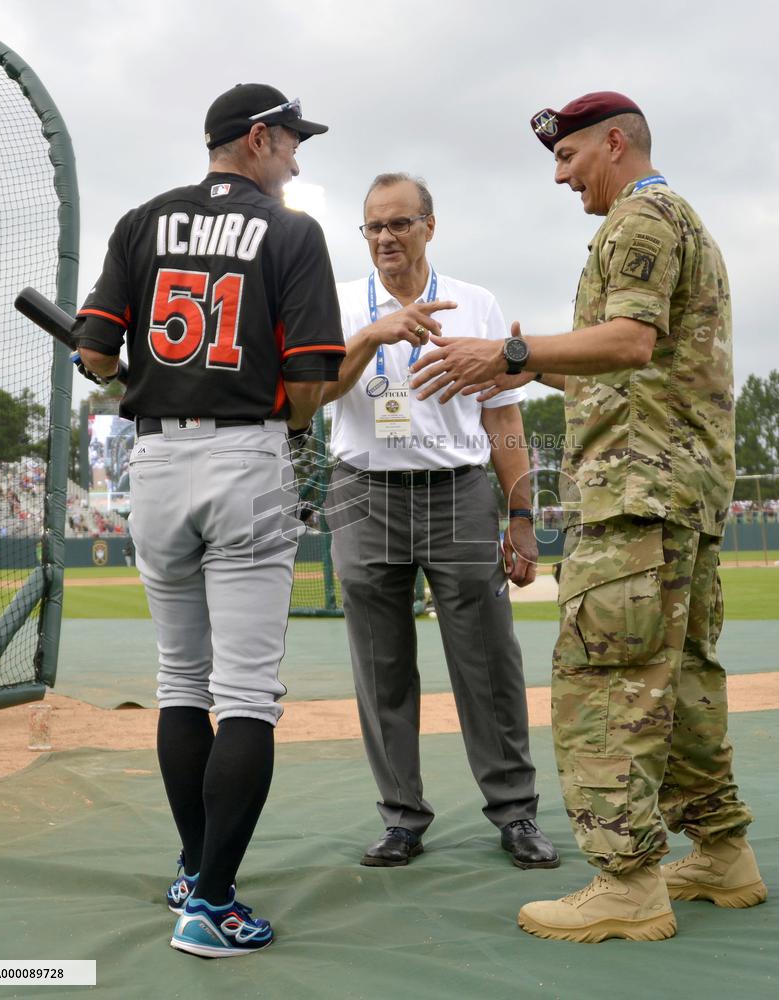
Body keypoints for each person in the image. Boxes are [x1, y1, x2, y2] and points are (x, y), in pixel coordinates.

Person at [411, 92, 766, 942]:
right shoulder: (682, 223)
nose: (562, 177)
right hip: (679, 497)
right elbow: (648, 373)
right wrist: (531, 373)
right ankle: (721, 853)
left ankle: (625, 883)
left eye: (568, 158)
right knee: (678, 684)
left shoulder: (639, 224)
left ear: (614, 143)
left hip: (638, 502)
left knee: (602, 687)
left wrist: (513, 351)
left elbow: (631, 342)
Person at [73, 83, 345, 958]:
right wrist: (292, 426)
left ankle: (196, 870)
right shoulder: (291, 229)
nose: (296, 159)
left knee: (181, 682)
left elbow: (92, 351)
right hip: (245, 456)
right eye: (292, 141)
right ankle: (214, 905)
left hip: (151, 460)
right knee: (246, 695)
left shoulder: (142, 219)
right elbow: (307, 381)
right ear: (257, 138)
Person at [322, 173, 558, 871]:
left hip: (458, 491)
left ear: (430, 226)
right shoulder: (337, 304)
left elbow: (502, 414)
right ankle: (401, 818)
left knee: (489, 661)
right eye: (373, 227)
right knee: (380, 666)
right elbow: (313, 392)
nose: (385, 238)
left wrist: (520, 516)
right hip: (362, 491)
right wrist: (373, 333)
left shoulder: (474, 303)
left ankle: (514, 814)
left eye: (399, 224)